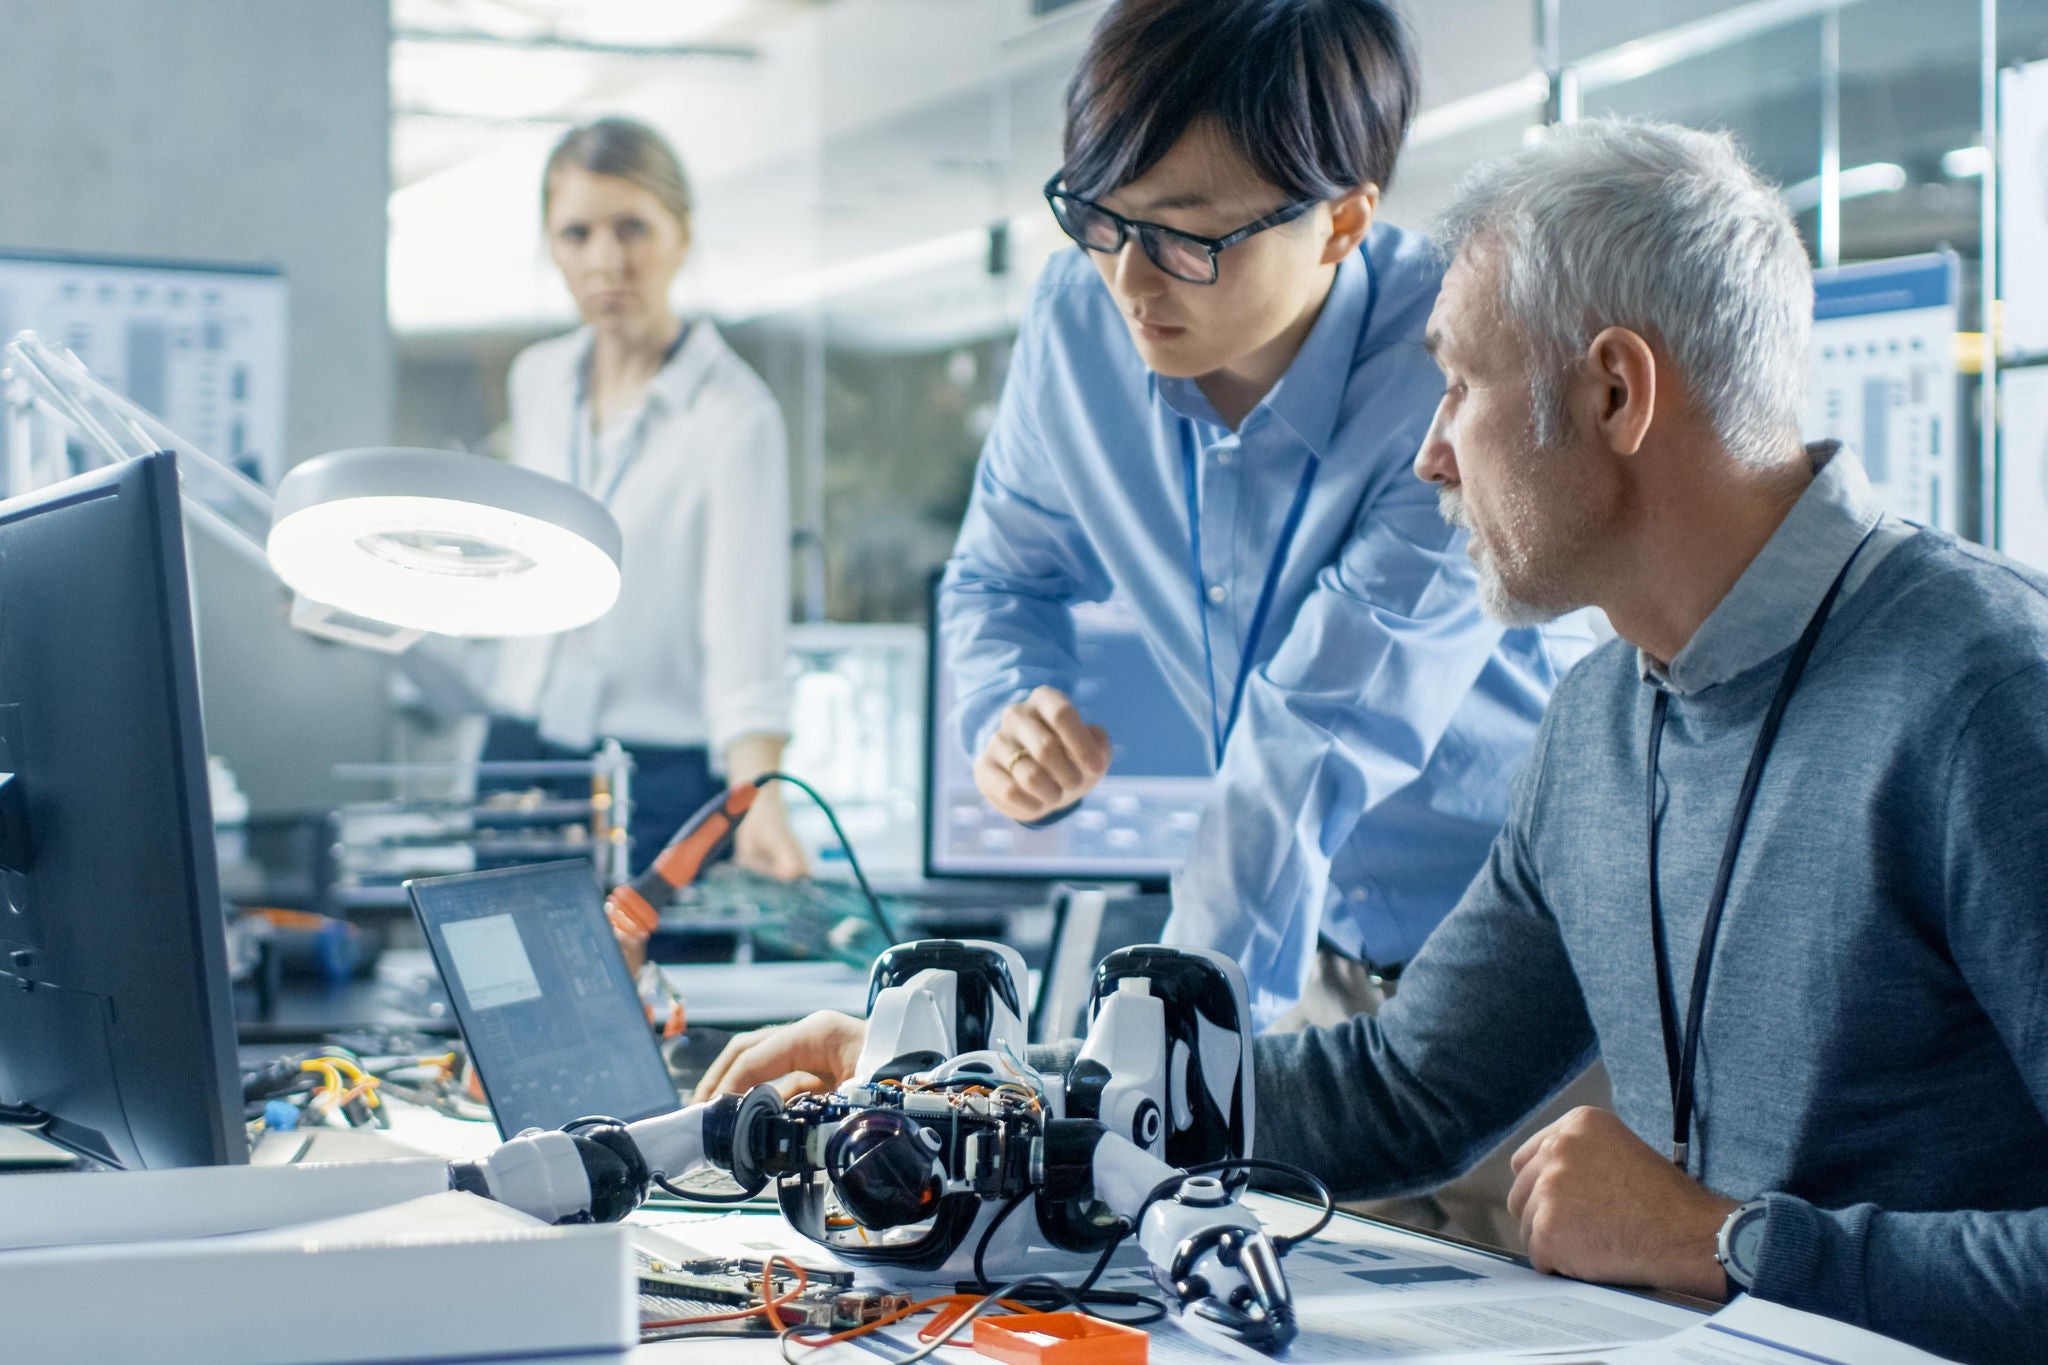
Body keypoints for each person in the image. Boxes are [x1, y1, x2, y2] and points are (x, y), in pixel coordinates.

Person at [692, 120, 2048, 1364]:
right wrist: (972, 1087)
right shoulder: (1604, 717)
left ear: (1617, 395)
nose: (1429, 458)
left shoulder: (1985, 687)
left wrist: (1727, 1241)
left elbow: (1747, 1247)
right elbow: (1399, 1088)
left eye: (1458, 388)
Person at [944, 0, 1594, 1035]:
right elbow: (1000, 577)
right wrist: (1008, 703)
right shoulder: (1075, 325)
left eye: (1184, 238)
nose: (1126, 277)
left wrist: (1159, 1037)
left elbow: (1318, 726)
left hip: (1529, 978)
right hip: (1317, 960)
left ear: (1340, 219)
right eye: (1100, 216)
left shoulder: (1458, 357)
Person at [484, 117, 806, 881]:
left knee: (643, 998)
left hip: (657, 777)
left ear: (681, 235)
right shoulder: (537, 380)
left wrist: (758, 795)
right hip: (518, 750)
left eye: (633, 227)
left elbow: (745, 638)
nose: (606, 261)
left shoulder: (734, 414)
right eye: (576, 233)